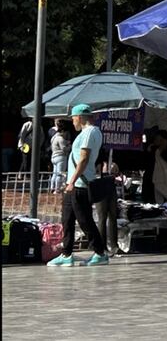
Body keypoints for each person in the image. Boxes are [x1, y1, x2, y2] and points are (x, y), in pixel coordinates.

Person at [47, 105, 108, 267]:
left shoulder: (90, 132)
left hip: (79, 183)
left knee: (84, 219)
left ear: (80, 117)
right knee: (67, 218)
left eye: (73, 118)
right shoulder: (84, 133)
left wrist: (72, 180)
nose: (72, 122)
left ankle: (100, 252)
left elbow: (84, 158)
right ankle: (67, 254)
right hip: (72, 183)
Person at [49, 120, 72, 193]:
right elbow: (64, 149)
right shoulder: (60, 138)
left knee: (54, 174)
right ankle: (57, 189)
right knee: (60, 173)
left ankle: (52, 187)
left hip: (54, 156)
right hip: (60, 157)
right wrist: (70, 146)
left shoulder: (53, 138)